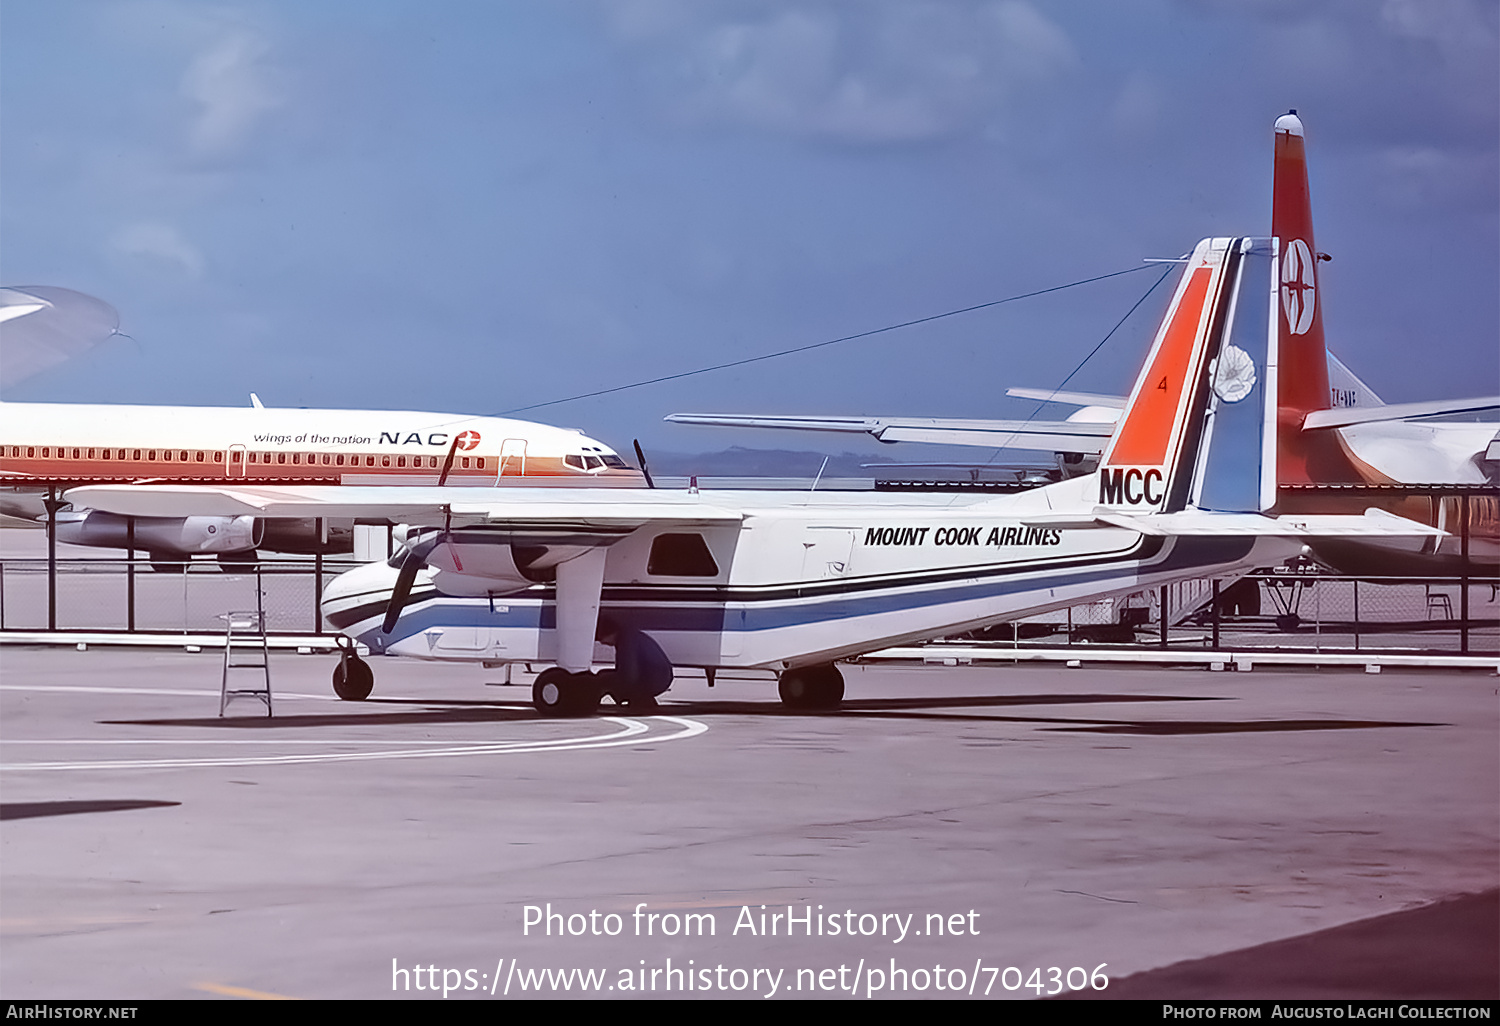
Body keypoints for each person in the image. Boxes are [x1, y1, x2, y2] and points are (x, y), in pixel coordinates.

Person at [594, 619, 673, 709]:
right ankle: (639, 700)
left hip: (652, 680)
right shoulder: (630, 636)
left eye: (601, 639)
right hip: (658, 677)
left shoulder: (626, 641)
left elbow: (629, 673)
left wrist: (620, 686)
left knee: (602, 678)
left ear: (608, 633)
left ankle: (637, 700)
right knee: (605, 676)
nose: (602, 642)